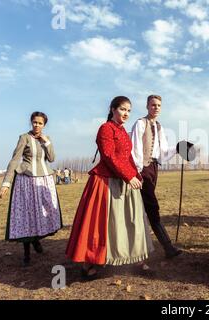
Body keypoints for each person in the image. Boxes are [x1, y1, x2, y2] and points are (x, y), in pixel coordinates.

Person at [66, 96, 153, 280]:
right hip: (106, 181)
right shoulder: (106, 128)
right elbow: (108, 155)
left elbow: (127, 157)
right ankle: (89, 262)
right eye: (122, 109)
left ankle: (136, 259)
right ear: (113, 109)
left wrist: (136, 174)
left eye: (129, 110)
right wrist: (128, 176)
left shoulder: (123, 132)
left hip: (124, 180)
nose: (126, 113)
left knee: (130, 221)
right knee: (99, 224)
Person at [0, 111, 63, 266]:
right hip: (25, 180)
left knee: (41, 214)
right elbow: (15, 160)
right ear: (31, 122)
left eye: (40, 123)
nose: (36, 125)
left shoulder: (47, 139)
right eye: (34, 122)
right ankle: (27, 251)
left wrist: (46, 142)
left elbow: (52, 158)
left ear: (44, 125)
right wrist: (6, 183)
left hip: (44, 179)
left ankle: (36, 241)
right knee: (27, 216)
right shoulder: (24, 138)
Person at [131, 95, 182, 259]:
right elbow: (135, 149)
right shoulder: (140, 123)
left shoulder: (159, 127)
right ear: (147, 106)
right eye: (153, 105)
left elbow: (163, 153)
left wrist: (179, 148)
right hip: (142, 168)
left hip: (154, 168)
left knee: (145, 207)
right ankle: (168, 248)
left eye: (159, 105)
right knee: (152, 207)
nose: (156, 108)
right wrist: (137, 171)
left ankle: (141, 247)